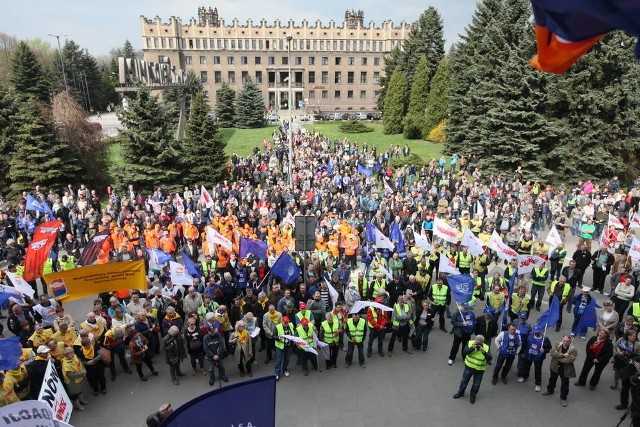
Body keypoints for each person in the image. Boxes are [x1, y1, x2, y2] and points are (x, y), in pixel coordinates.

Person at [452, 334, 492, 404]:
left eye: (480, 343)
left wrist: (484, 352)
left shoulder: (486, 347)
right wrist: (472, 348)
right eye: (477, 342)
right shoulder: (470, 343)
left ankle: (473, 396)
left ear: (483, 342)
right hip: (469, 367)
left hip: (479, 369)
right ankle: (460, 393)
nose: (478, 344)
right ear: (475, 340)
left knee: (476, 384)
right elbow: (464, 352)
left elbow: (490, 358)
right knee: (464, 381)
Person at [543, 335, 578, 407]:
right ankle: (550, 390)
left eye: (567, 341)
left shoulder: (573, 350)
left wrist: (558, 357)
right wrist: (563, 355)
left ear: (570, 341)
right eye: (564, 341)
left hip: (565, 369)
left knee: (565, 383)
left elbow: (569, 360)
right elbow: (552, 353)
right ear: (562, 340)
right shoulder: (557, 345)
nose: (565, 342)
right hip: (555, 367)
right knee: (552, 379)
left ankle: (563, 398)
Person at [518, 325, 552, 392]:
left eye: (538, 332)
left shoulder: (545, 339)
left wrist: (544, 350)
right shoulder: (529, 336)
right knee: (526, 367)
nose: (536, 333)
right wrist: (523, 352)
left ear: (540, 332)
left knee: (538, 370)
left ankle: (538, 384)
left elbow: (549, 348)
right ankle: (524, 377)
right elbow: (524, 344)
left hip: (538, 358)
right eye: (535, 332)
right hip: (529, 355)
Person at [613, 329, 640, 408]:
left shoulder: (638, 345)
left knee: (634, 391)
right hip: (622, 364)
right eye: (632, 336)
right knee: (625, 387)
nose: (634, 337)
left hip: (633, 368)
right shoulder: (622, 340)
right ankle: (624, 404)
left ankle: (634, 407)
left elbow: (638, 356)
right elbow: (616, 346)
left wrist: (632, 355)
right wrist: (619, 351)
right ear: (628, 336)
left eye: (635, 336)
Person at [61, 347, 89, 411]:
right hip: (72, 382)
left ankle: (81, 400)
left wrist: (84, 370)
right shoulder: (66, 365)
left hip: (79, 378)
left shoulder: (74, 357)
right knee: (75, 394)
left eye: (73, 352)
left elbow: (80, 364)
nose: (73, 354)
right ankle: (78, 405)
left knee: (80, 390)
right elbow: (71, 376)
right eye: (71, 353)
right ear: (67, 355)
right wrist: (82, 373)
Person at [274, 316, 295, 380]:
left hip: (288, 346)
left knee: (287, 359)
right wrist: (278, 338)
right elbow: (273, 336)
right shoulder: (277, 327)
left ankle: (285, 369)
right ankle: (277, 373)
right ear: (282, 322)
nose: (286, 324)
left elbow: (293, 333)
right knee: (278, 360)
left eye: (287, 322)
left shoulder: (291, 325)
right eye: (285, 322)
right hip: (280, 346)